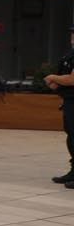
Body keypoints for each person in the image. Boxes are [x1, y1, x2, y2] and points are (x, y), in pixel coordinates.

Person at [44, 29, 74, 187]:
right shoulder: (70, 55)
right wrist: (57, 82)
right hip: (69, 99)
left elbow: (72, 80)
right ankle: (73, 171)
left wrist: (52, 78)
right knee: (71, 135)